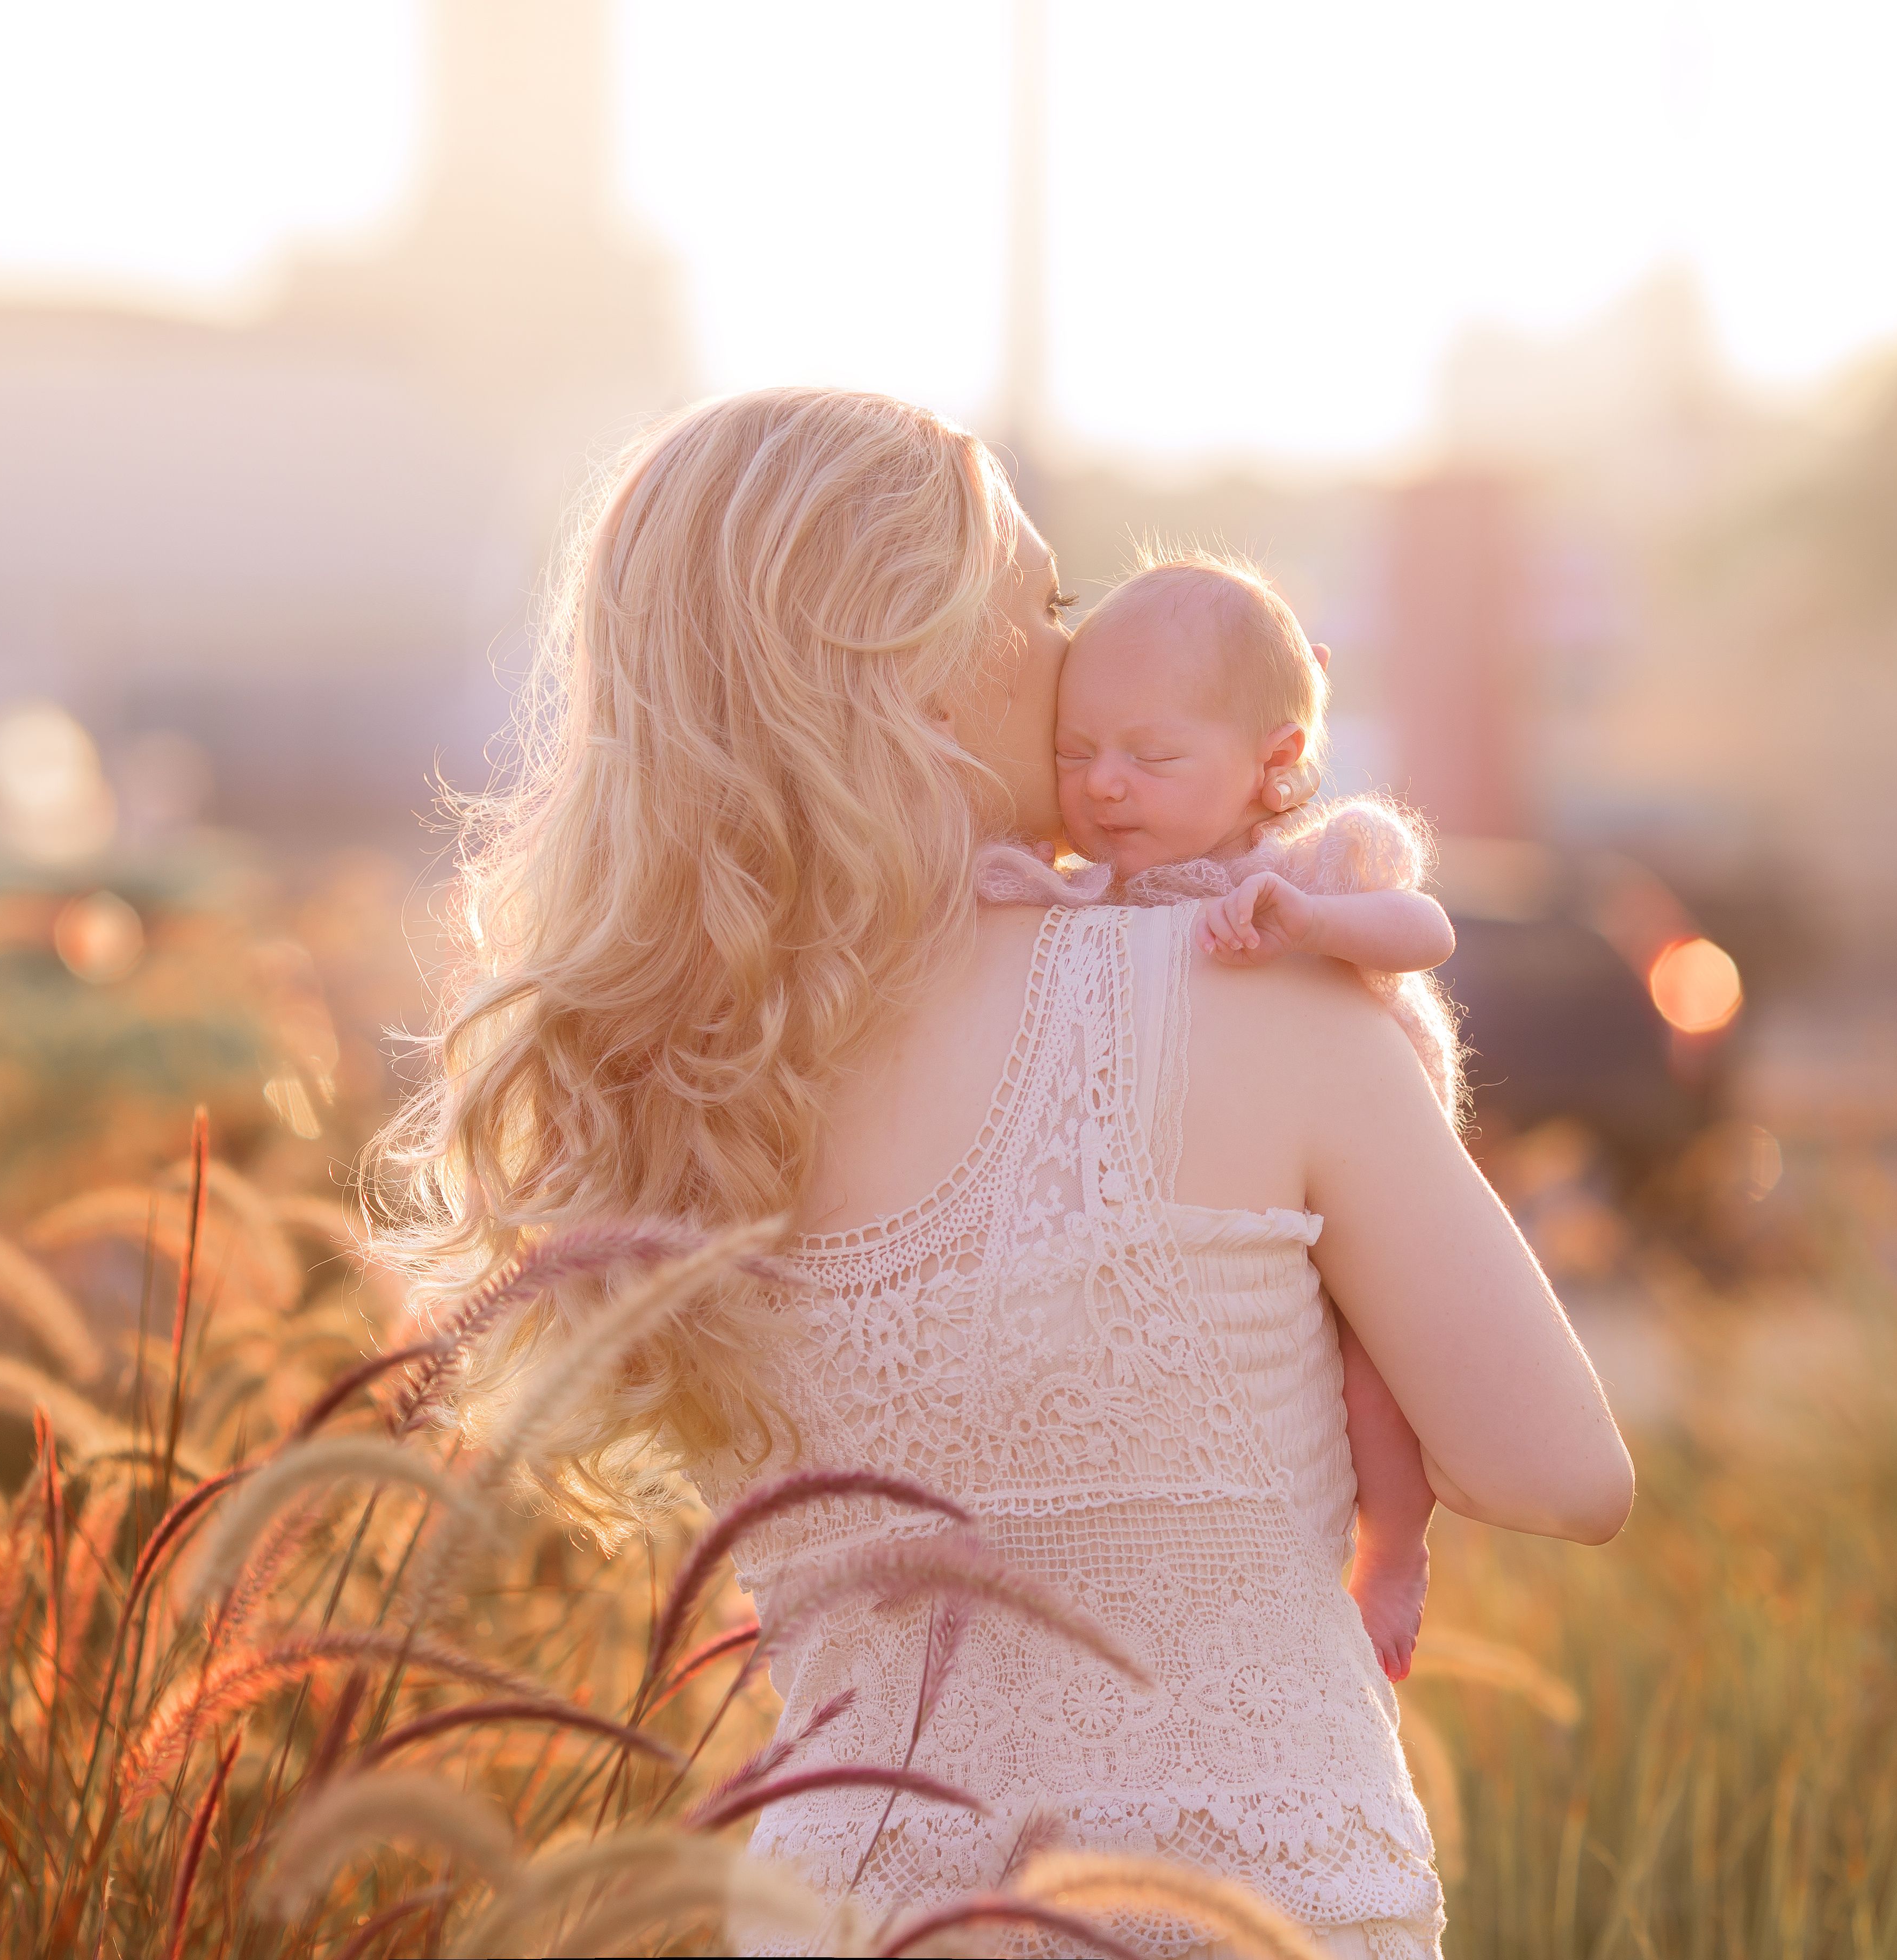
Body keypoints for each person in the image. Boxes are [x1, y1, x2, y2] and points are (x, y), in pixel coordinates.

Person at [388, 388, 1632, 1959]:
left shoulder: (672, 1101)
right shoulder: (1252, 993)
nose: (1081, 651)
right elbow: (1561, 1473)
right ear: (918, 663)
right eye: (1043, 605)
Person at [976, 550, 1460, 1681]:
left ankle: (1395, 1551)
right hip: (1234, 1192)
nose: (1105, 786)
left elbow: (1425, 934)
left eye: (1151, 758)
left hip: (1370, 1178)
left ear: (1274, 767)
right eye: (1076, 754)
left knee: (1375, 1379)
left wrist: (1310, 925)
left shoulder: (1308, 867)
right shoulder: (1097, 880)